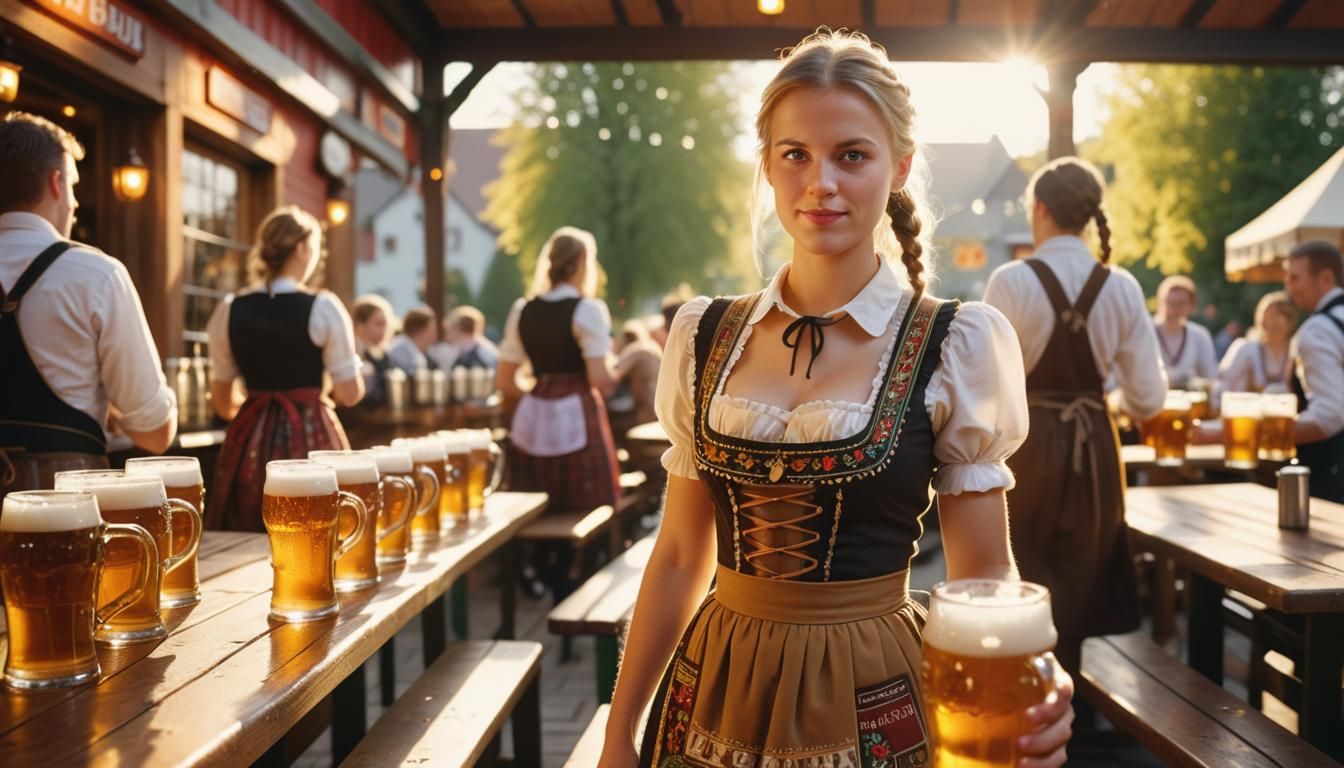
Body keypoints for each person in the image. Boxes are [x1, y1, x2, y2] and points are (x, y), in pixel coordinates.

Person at [599, 30, 1072, 768]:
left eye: (852, 155)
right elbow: (679, 557)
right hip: (715, 685)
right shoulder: (704, 335)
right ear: (768, 165)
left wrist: (1029, 674)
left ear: (899, 168)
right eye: (795, 155)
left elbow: (984, 573)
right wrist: (618, 731)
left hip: (872, 690)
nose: (821, 183)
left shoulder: (955, 342)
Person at [983, 157, 1167, 692]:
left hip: (1025, 447)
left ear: (1039, 209)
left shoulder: (1011, 280)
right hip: (1096, 451)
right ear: (1089, 216)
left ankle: (1023, 695)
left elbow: (983, 388)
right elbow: (1149, 400)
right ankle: (1075, 704)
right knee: (1084, 574)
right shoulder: (1124, 287)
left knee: (1023, 570)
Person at [0, 112, 176, 498]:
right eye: (75, 186)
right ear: (56, 182)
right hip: (62, 502)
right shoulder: (96, 274)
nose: (76, 203)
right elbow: (155, 432)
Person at [206, 206, 363, 530]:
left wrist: (258, 411)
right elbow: (350, 393)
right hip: (311, 433)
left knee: (247, 530)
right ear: (302, 249)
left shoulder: (230, 308)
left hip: (248, 435)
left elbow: (222, 403)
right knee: (317, 527)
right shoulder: (323, 308)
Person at [496, 226, 622, 511]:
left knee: (536, 504)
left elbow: (504, 381)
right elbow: (600, 380)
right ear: (581, 264)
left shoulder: (522, 310)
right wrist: (626, 365)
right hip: (578, 408)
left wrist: (540, 398)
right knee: (584, 505)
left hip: (533, 415)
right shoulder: (587, 310)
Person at [1284, 240, 1344, 502]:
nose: (1288, 286)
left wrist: (1265, 431)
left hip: (1332, 475)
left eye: (1295, 277)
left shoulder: (1318, 329)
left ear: (1326, 278)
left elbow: (1329, 415)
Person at [1216, 291, 1297, 396]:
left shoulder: (1298, 351)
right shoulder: (1246, 348)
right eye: (1270, 317)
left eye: (1278, 316)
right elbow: (1222, 386)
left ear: (1290, 322)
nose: (1273, 323)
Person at [1152, 275, 1217, 389]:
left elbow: (1210, 377)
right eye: (1169, 303)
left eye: (1180, 304)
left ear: (1191, 305)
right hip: (1152, 398)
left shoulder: (1200, 335)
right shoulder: (1146, 333)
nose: (1174, 309)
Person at [614, 319, 662, 426]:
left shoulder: (636, 350)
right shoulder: (653, 348)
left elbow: (614, 375)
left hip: (647, 412)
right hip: (660, 412)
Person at [352, 294, 396, 408]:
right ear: (360, 325)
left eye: (386, 324)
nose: (384, 330)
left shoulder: (383, 353)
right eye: (378, 324)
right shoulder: (351, 353)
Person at [428, 305, 500, 371]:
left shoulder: (485, 354)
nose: (446, 333)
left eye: (449, 328)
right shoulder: (459, 349)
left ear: (458, 328)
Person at [386, 306, 436, 375]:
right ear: (420, 330)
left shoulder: (414, 350)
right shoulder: (401, 347)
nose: (434, 336)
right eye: (431, 331)